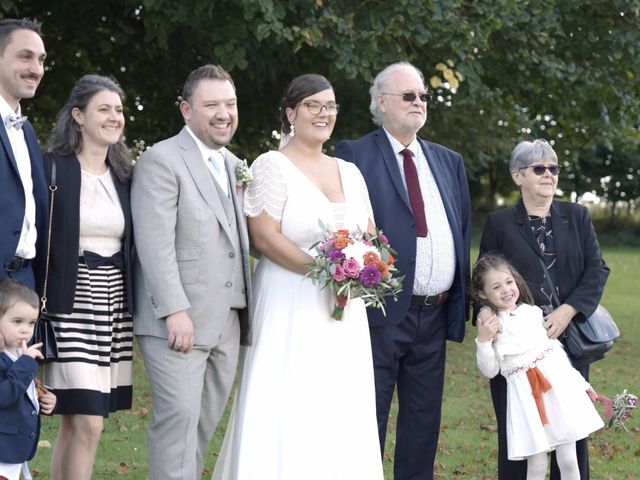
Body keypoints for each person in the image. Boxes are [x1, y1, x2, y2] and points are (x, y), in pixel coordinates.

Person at [213, 74, 383, 479]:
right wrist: (326, 270)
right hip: (290, 302)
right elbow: (263, 235)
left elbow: (371, 234)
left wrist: (368, 266)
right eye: (313, 105)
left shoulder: (350, 171)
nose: (324, 114)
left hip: (344, 311)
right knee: (289, 395)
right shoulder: (272, 165)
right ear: (291, 113)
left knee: (338, 401)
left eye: (331, 106)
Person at [334, 61, 471, 480]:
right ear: (382, 103)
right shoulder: (354, 154)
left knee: (422, 427)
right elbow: (345, 229)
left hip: (434, 316)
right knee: (367, 421)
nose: (419, 103)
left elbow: (461, 229)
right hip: (379, 312)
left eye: (423, 96)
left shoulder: (448, 161)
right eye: (408, 96)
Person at [132, 64, 252, 480]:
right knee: (175, 427)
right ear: (186, 110)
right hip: (178, 321)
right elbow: (154, 243)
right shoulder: (161, 160)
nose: (224, 113)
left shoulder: (236, 165)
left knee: (201, 430)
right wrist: (173, 310)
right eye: (212, 105)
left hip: (227, 321)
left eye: (230, 103)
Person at [477, 139, 610, 479]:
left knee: (571, 439)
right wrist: (484, 314)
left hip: (569, 342)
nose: (549, 174)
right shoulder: (500, 223)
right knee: (520, 442)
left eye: (554, 168)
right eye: (539, 168)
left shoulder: (577, 216)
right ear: (518, 175)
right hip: (516, 348)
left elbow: (597, 269)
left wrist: (569, 310)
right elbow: (483, 277)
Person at [39, 74, 134, 480]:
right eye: (103, 109)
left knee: (81, 423)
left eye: (118, 110)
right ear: (78, 116)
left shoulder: (126, 176)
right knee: (87, 419)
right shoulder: (52, 170)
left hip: (113, 306)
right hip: (69, 303)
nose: (114, 117)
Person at [472, 254, 604, 480]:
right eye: (496, 287)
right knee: (536, 464)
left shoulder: (532, 313)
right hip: (525, 400)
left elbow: (555, 355)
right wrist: (483, 341)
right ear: (483, 294)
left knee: (569, 459)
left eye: (509, 282)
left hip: (556, 392)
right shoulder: (492, 326)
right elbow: (490, 370)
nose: (506, 290)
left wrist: (581, 383)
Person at [0, 19, 47, 291]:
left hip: (25, 284)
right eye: (25, 57)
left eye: (41, 60)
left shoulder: (27, 131)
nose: (36, 69)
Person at [0, 279, 56, 480]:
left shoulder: (19, 353)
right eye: (17, 322)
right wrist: (25, 364)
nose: (26, 329)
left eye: (31, 323)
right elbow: (5, 395)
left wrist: (45, 398)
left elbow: (26, 391)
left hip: (14, 450)